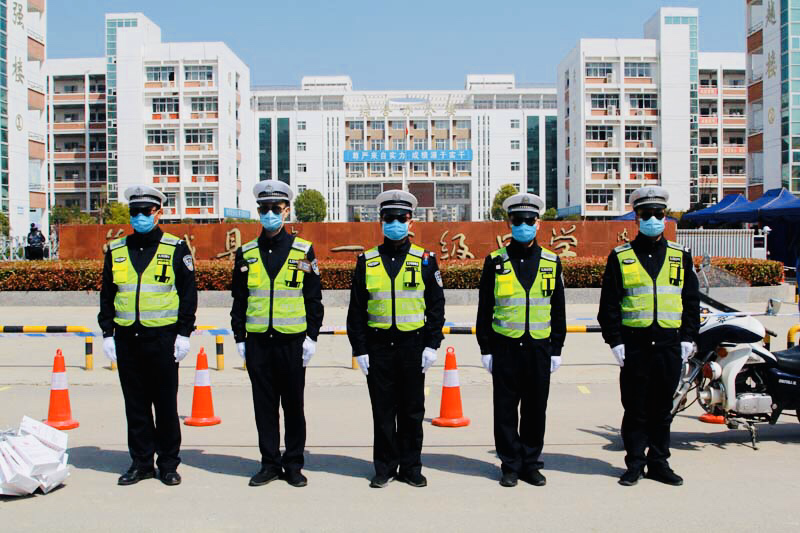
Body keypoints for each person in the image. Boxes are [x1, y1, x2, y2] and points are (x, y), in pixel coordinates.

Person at [597, 186, 699, 487]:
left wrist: (687, 337)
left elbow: (691, 301)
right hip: (635, 346)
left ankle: (659, 463)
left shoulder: (680, 256)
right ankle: (634, 463)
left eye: (658, 214)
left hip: (669, 344)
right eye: (646, 214)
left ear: (665, 217)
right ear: (636, 218)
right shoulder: (621, 256)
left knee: (662, 409)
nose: (652, 219)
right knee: (635, 409)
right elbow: (609, 304)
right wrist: (615, 341)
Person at [98, 185, 197, 486]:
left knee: (166, 405)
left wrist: (184, 333)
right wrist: (107, 332)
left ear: (158, 213)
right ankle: (141, 463)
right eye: (134, 211)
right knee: (136, 406)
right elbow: (108, 294)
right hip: (128, 339)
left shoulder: (175, 248)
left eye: (145, 211)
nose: (139, 216)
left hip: (163, 340)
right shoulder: (117, 250)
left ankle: (167, 464)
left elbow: (188, 294)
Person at [346, 190, 445, 488]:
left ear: (410, 221)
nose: (395, 224)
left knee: (412, 412)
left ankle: (411, 467)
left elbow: (436, 306)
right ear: (380, 221)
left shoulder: (425, 260)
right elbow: (356, 309)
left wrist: (432, 344)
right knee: (383, 412)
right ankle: (385, 467)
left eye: (401, 218)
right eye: (389, 218)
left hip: (413, 346)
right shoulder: (367, 261)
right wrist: (359, 349)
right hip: (378, 347)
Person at [230, 180, 323, 488]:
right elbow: (240, 300)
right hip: (258, 343)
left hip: (292, 342)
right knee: (264, 408)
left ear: (286, 211)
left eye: (275, 208)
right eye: (264, 208)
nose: (269, 214)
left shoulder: (302, 250)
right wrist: (239, 337)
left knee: (294, 407)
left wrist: (312, 337)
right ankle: (269, 463)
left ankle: (293, 464)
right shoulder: (246, 253)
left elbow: (313, 297)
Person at [475, 193, 566, 487]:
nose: (523, 226)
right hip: (505, 347)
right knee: (505, 411)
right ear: (509, 224)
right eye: (517, 221)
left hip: (539, 347)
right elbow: (485, 308)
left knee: (535, 410)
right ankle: (510, 465)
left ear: (538, 223)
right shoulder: (495, 261)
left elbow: (558, 309)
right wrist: (485, 348)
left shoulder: (551, 261)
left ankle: (531, 464)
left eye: (528, 221)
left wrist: (557, 348)